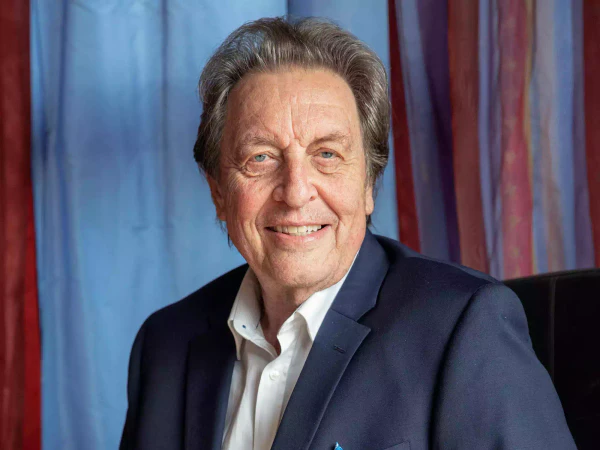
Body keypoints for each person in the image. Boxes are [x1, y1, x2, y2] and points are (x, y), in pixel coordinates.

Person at [120, 17, 576, 450]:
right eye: (260, 158)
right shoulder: (164, 345)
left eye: (327, 155)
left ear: (369, 184)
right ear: (218, 192)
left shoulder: (463, 328)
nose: (296, 192)